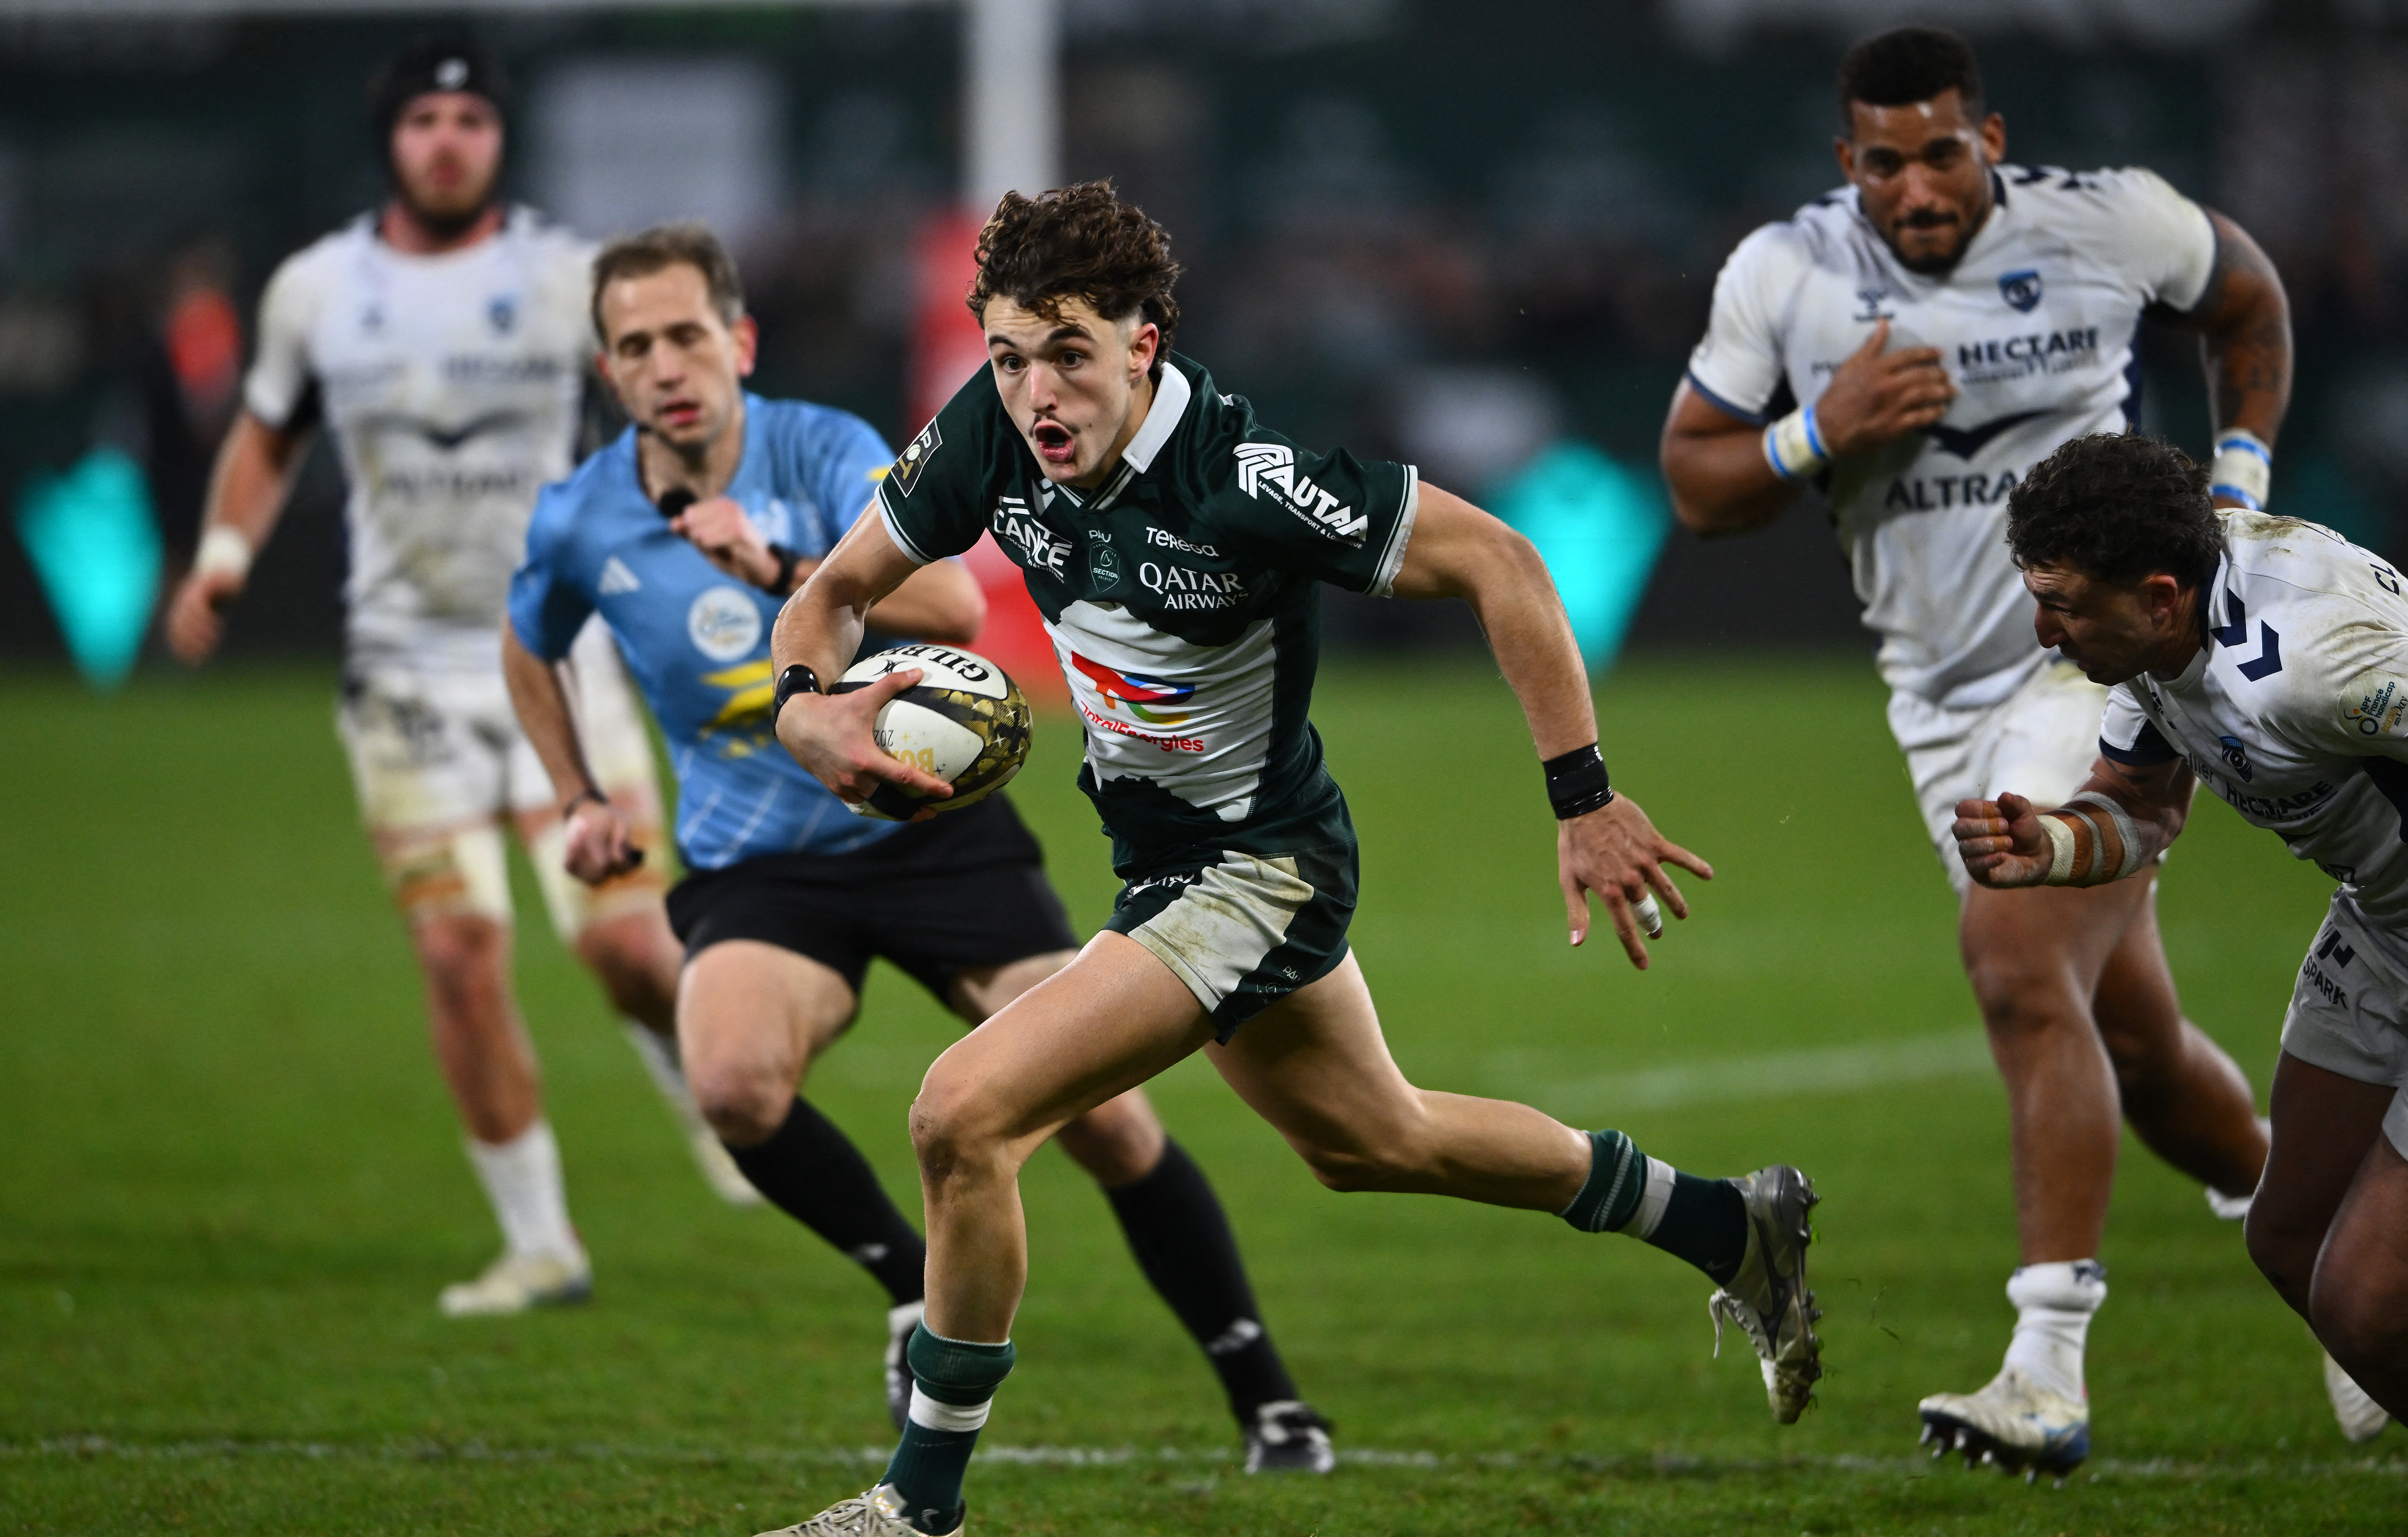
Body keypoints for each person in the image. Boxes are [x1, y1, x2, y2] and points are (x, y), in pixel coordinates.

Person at [752, 181, 1821, 1537]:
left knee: (963, 1114)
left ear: (1145, 344)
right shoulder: (991, 434)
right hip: (1163, 871)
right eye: (1011, 356)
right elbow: (832, 591)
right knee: (1376, 1141)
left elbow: (1504, 564)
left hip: (1263, 872)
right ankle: (1732, 1227)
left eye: (1069, 354)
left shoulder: (1245, 488)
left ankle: (917, 1507)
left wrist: (1584, 798)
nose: (1036, 394)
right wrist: (806, 711)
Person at [503, 221, 1338, 1467]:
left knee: (1106, 1120)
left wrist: (775, 558)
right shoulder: (579, 518)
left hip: (931, 831)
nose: (666, 363)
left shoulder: (823, 448)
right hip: (761, 865)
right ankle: (909, 1286)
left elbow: (951, 601)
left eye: (686, 333)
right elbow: (528, 640)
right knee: (731, 1084)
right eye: (635, 346)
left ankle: (1263, 1386)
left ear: (737, 339)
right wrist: (577, 790)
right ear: (607, 373)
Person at [1657, 25, 2294, 1474]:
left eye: (1943, 152)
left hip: (2096, 667)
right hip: (1937, 698)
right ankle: (2327, 1245)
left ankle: (2044, 1368)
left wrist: (2237, 482)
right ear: (1848, 165)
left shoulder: (2105, 219)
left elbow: (2245, 293)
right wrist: (1812, 431)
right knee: (2131, 1042)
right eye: (1885, 162)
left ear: (1988, 140)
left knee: (2013, 969)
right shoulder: (1787, 275)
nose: (1917, 184)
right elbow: (1695, 481)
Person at [162, 40, 747, 1320]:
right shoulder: (319, 291)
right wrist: (220, 556)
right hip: (403, 673)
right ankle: (540, 1245)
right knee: (459, 952)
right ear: (392, 139)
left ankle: (707, 1092)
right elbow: (266, 436)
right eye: (425, 117)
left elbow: (669, 404)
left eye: (470, 116)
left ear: (499, 138)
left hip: (561, 652)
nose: (447, 139)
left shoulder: (561, 278)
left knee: (631, 952)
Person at [1955, 430, 2408, 1440]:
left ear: (2158, 598)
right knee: (2292, 1240)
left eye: (2061, 604)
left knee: (2365, 1305)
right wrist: (2052, 847)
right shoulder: (2166, 624)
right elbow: (2141, 803)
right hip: (2383, 931)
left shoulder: (2317, 667)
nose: (2042, 632)